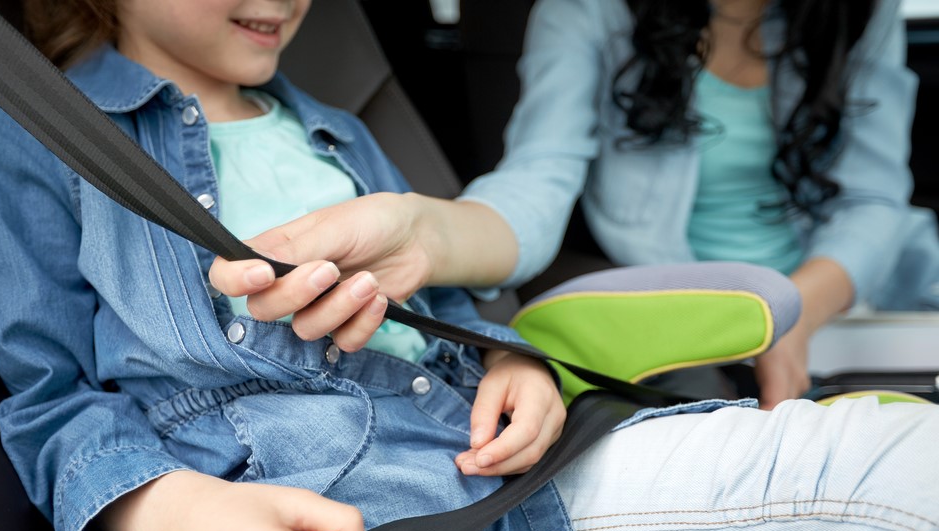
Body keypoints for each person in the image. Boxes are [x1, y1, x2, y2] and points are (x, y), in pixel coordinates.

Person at [0, 0, 939, 531]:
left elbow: (441, 312)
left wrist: (515, 360)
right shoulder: (27, 140)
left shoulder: (331, 126)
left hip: (493, 459)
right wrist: (167, 510)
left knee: (894, 462)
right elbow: (49, 399)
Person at [225, 0, 939, 409]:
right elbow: (536, 180)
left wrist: (794, 313)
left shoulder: (856, 12)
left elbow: (876, 202)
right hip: (684, 291)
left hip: (860, 290)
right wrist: (429, 232)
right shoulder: (590, 9)